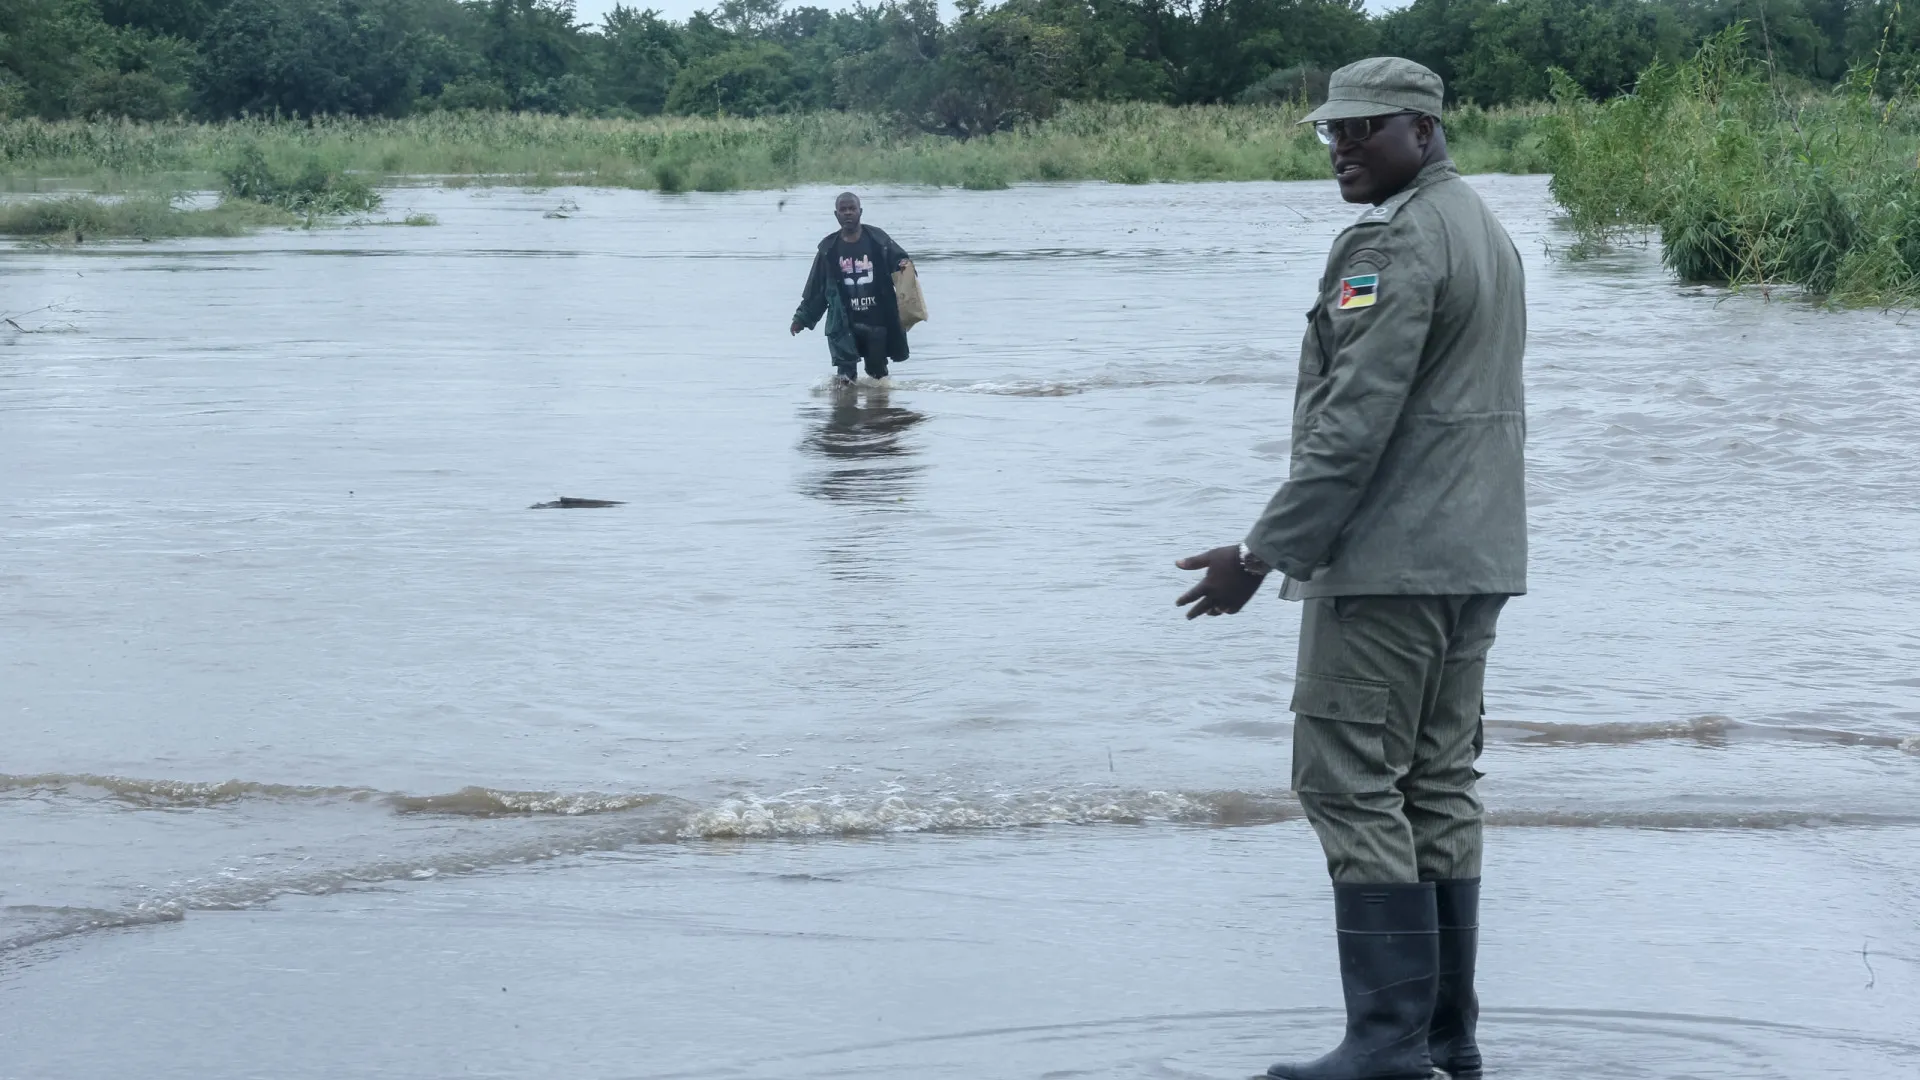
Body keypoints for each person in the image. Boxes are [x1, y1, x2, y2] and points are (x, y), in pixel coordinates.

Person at [1173, 57, 1527, 1080]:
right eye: (1331, 130)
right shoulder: (1484, 229)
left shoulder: (1397, 242)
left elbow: (1349, 429)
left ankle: (1384, 1046)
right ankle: (1443, 1041)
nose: (1340, 147)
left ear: (1422, 130)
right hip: (1474, 555)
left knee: (1347, 779)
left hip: (1391, 563)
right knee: (1437, 785)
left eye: (1363, 130)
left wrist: (1258, 553)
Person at [790, 192, 911, 387]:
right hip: (843, 323)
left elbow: (901, 264)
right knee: (845, 379)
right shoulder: (828, 249)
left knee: (878, 378)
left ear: (860, 212)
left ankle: (882, 413)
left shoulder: (878, 240)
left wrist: (904, 265)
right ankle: (846, 414)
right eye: (843, 209)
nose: (848, 213)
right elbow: (816, 290)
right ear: (836, 215)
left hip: (877, 321)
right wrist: (801, 319)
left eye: (852, 209)